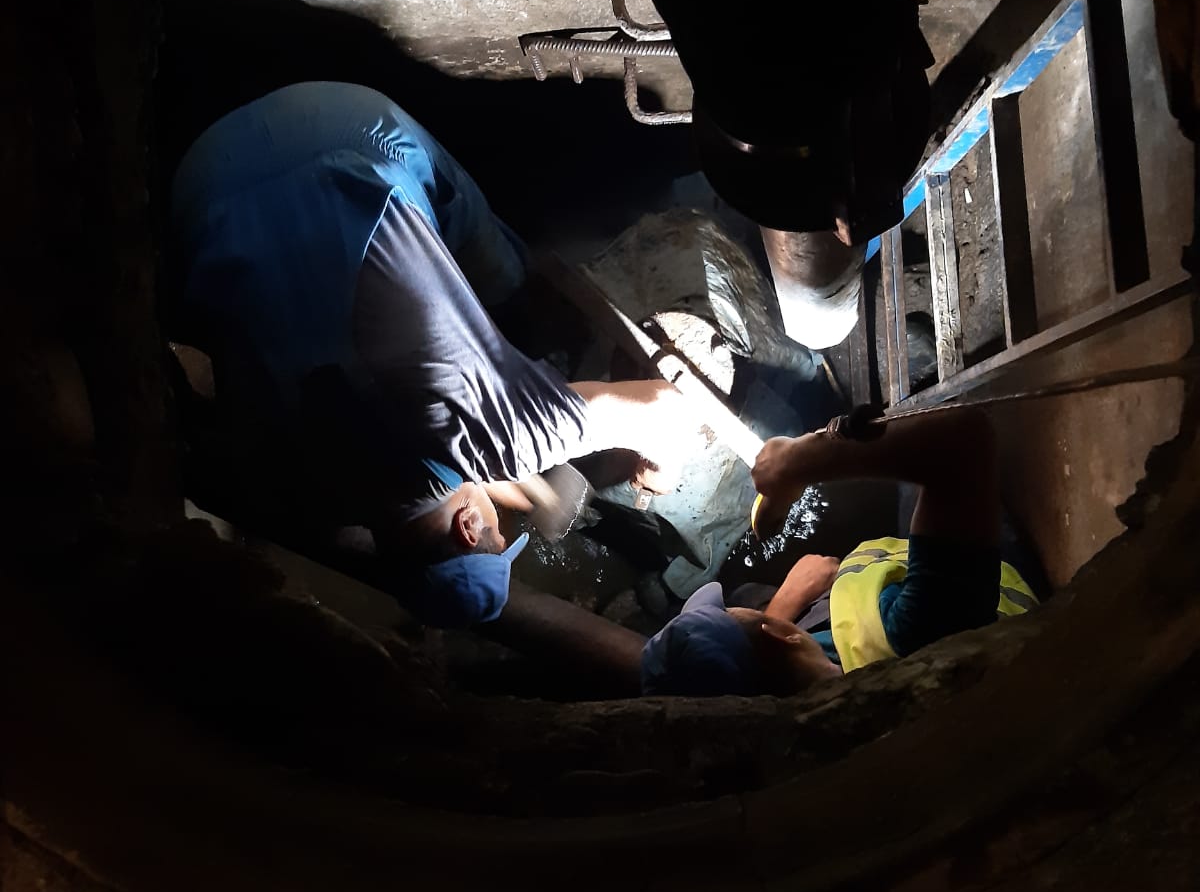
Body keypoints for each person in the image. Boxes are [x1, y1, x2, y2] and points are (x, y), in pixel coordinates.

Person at [168, 80, 688, 625]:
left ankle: (515, 278)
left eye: (497, 532)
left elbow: (668, 408)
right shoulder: (303, 495)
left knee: (499, 264)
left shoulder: (499, 438)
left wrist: (660, 465)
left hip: (331, 134)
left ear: (468, 525)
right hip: (202, 188)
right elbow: (418, 462)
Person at [640, 405, 1038, 696]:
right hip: (993, 590)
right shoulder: (913, 633)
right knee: (916, 436)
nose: (732, 608)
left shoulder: (807, 702)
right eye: (727, 613)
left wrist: (782, 606)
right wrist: (796, 462)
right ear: (782, 637)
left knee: (747, 592)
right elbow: (963, 438)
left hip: (867, 596)